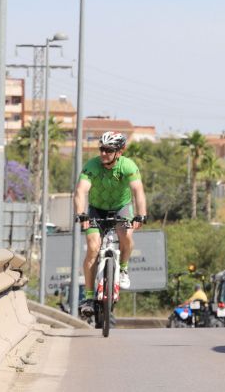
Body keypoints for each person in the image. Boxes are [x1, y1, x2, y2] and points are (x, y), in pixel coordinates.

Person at [74, 131, 147, 315]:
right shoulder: (92, 165)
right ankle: (89, 297)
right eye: (102, 149)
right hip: (96, 209)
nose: (104, 153)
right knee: (92, 248)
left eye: (109, 150)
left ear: (119, 152)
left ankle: (122, 269)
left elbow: (138, 191)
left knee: (126, 236)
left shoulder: (128, 166)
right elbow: (81, 191)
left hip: (121, 208)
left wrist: (141, 215)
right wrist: (81, 214)